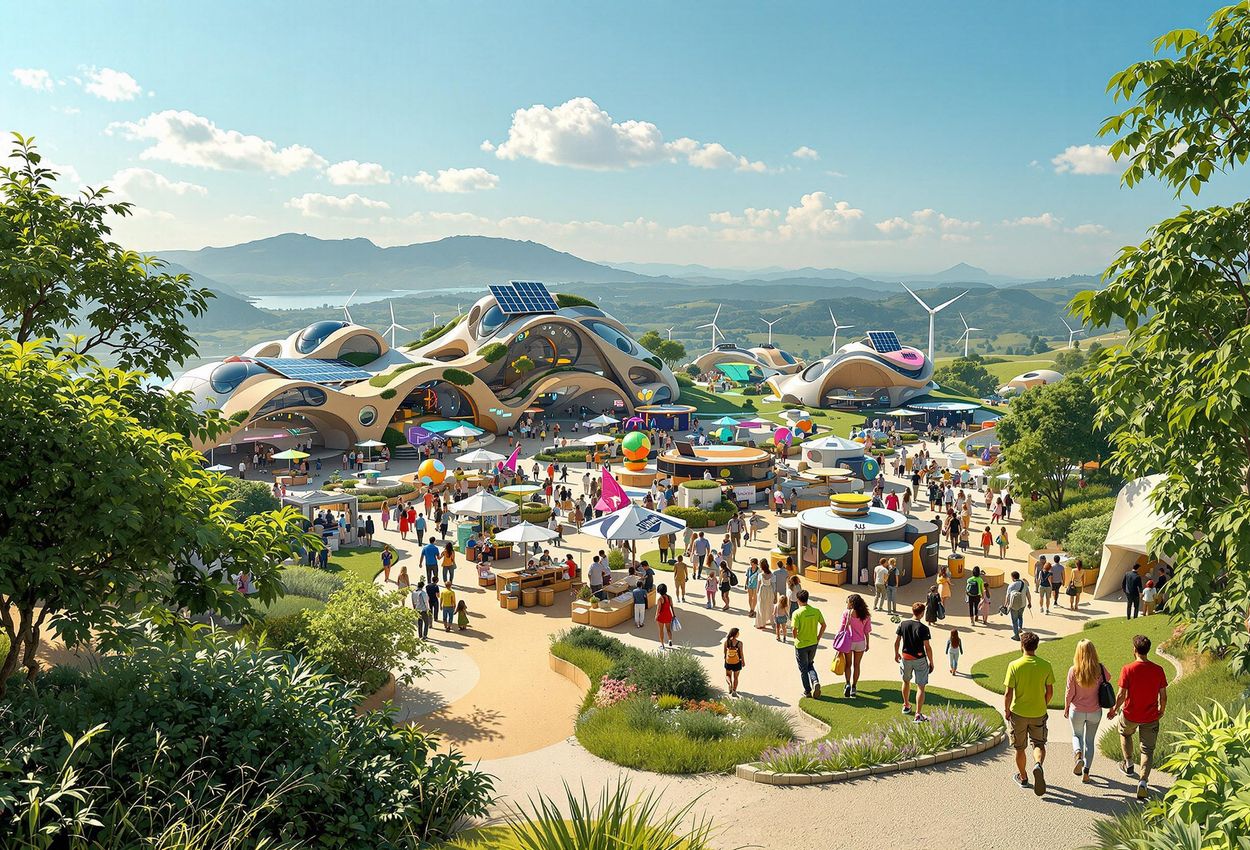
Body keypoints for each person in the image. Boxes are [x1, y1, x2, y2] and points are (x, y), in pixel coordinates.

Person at [1109, 634, 1169, 800]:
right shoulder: (1158, 670)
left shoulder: (1128, 669)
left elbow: (1121, 695)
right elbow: (1163, 695)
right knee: (1147, 749)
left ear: (1134, 650)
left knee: (1125, 733)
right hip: (1150, 716)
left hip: (1130, 714)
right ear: (1148, 650)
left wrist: (1114, 709)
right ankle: (1143, 781)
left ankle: (1128, 764)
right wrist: (1161, 710)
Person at [1003, 631, 1055, 795]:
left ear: (1022, 645)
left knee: (1020, 747)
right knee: (1038, 744)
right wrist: (1043, 704)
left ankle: (1023, 777)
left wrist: (1007, 710)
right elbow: (1050, 691)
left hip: (1018, 712)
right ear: (1036, 646)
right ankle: (1038, 764)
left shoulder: (1014, 665)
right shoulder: (1046, 665)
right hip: (1038, 712)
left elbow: (1008, 693)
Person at [1064, 638, 1109, 784]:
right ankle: (1087, 771)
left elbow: (1069, 693)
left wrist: (1066, 707)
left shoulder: (1073, 670)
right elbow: (1108, 680)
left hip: (1077, 710)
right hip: (1095, 711)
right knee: (1090, 741)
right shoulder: (1100, 669)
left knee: (1076, 736)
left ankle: (1078, 754)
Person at [894, 602, 935, 721]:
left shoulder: (903, 624)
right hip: (919, 659)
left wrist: (896, 653)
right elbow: (927, 647)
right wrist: (931, 662)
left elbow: (897, 641)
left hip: (905, 657)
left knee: (906, 681)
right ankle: (918, 714)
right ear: (922, 613)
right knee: (921, 686)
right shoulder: (924, 628)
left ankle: (906, 706)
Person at [791, 589, 826, 699]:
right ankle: (815, 681)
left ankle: (807, 691)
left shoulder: (797, 613)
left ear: (798, 600)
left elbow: (794, 629)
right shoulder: (816, 611)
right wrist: (818, 637)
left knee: (803, 669)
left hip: (801, 645)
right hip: (813, 643)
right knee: (810, 664)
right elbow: (824, 625)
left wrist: (795, 637)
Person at [839, 594, 872, 697]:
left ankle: (847, 683)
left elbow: (842, 628)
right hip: (860, 642)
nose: (846, 604)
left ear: (852, 603)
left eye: (848, 602)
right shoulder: (866, 615)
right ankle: (854, 687)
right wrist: (867, 643)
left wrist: (839, 642)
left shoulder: (846, 613)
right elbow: (867, 631)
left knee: (848, 664)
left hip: (848, 642)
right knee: (857, 665)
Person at [1004, 570, 1032, 641]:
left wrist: (1005, 605)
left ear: (1013, 577)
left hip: (1014, 605)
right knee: (1020, 616)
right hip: (1023, 604)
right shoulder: (1024, 584)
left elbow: (1007, 597)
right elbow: (1028, 594)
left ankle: (1016, 635)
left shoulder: (1011, 585)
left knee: (1014, 620)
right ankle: (1020, 628)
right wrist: (1029, 602)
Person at [724, 627, 745, 697]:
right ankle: (734, 691)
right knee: (736, 677)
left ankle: (729, 684)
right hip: (737, 662)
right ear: (736, 634)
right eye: (738, 633)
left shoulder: (726, 642)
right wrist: (743, 661)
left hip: (728, 662)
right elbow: (741, 653)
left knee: (727, 675)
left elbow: (725, 652)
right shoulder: (739, 643)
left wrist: (726, 659)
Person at [655, 583, 675, 648]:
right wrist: (673, 614)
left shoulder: (660, 599)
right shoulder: (669, 597)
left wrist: (656, 616)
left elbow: (658, 609)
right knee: (668, 629)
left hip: (661, 616)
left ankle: (662, 645)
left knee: (661, 630)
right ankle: (670, 640)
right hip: (668, 615)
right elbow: (671, 606)